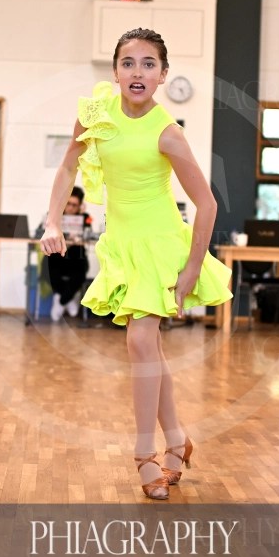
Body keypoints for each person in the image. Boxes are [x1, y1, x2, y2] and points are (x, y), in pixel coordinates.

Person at [40, 28, 232, 500]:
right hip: (121, 244)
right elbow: (68, 165)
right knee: (151, 351)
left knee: (141, 341)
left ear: (163, 75)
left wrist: (192, 268)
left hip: (160, 245)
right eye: (128, 63)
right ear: (115, 71)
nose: (138, 72)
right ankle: (177, 441)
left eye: (149, 64)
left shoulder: (168, 132)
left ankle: (144, 453)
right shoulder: (95, 113)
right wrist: (52, 221)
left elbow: (206, 204)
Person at [41, 186, 91, 321]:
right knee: (48, 268)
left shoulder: (85, 217)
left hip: (76, 257)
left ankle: (61, 300)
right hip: (57, 256)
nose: (70, 208)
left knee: (80, 272)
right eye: (68, 203)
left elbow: (89, 234)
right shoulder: (53, 216)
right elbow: (41, 231)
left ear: (80, 205)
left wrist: (81, 215)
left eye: (74, 205)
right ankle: (67, 299)